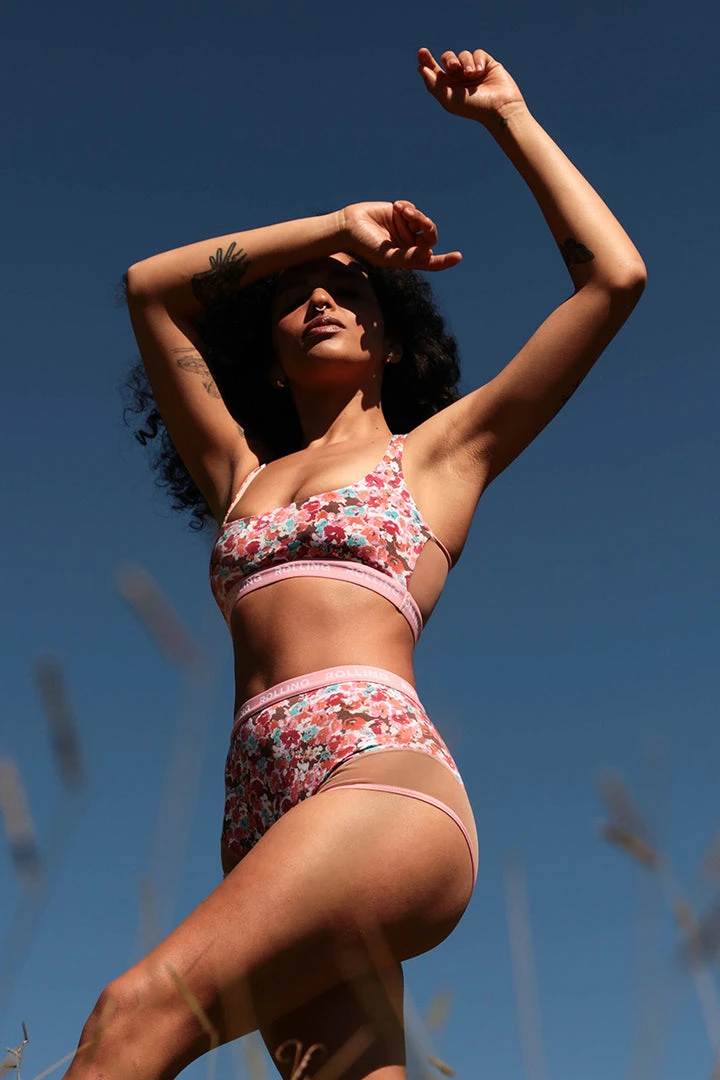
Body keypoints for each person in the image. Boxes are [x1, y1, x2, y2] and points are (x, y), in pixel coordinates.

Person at [66, 46, 645, 1080]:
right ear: (269, 355)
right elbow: (150, 290)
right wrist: (336, 228)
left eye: (349, 291)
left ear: (392, 340)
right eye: (296, 299)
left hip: (377, 778)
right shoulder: (238, 473)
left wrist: (507, 116)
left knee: (131, 1018)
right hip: (257, 811)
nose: (322, 300)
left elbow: (614, 278)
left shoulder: (439, 456)